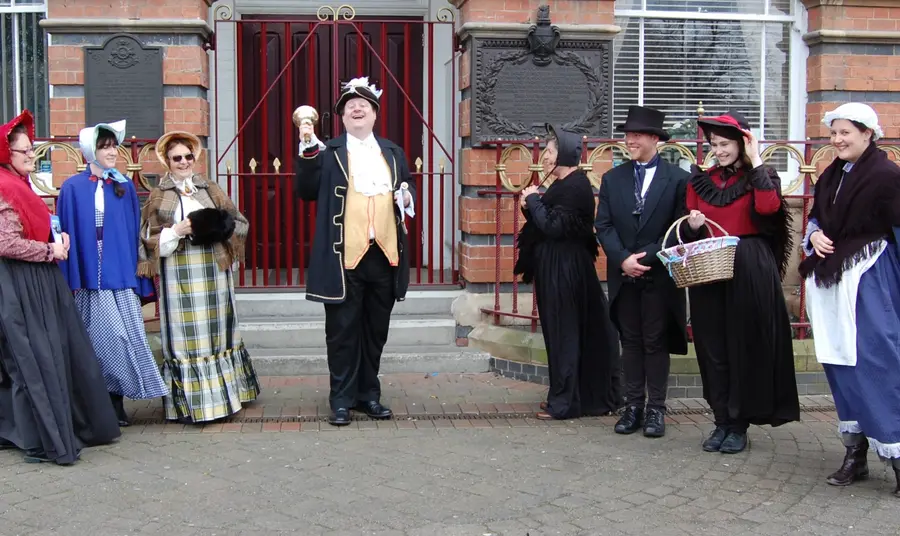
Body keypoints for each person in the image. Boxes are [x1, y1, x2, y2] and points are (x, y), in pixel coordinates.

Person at [294, 76, 416, 426]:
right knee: (342, 332)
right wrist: (307, 148)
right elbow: (306, 190)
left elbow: (406, 184)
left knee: (375, 331)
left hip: (385, 255)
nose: (357, 109)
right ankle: (341, 400)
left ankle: (368, 395)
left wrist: (406, 195)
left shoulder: (392, 151)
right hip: (344, 258)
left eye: (364, 105)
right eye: (350, 106)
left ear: (375, 113)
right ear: (342, 116)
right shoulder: (328, 151)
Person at [0, 110, 120, 464]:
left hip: (36, 279)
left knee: (49, 355)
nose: (31, 155)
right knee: (33, 361)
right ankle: (39, 440)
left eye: (31, 149)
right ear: (7, 154)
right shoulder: (5, 187)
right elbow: (6, 243)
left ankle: (52, 430)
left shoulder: (18, 183)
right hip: (21, 284)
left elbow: (29, 228)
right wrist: (48, 250)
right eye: (25, 151)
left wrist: (56, 238)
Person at [681, 110, 799, 454]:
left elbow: (768, 208)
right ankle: (721, 420)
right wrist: (692, 225)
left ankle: (739, 424)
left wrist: (756, 158)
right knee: (712, 346)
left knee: (743, 345)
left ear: (742, 143)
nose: (718, 150)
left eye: (725, 144)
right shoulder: (700, 181)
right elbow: (689, 228)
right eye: (714, 144)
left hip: (748, 265)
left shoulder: (761, 176)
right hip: (709, 266)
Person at [799, 103, 900, 496]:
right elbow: (818, 218)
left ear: (867, 134)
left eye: (845, 132)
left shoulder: (887, 177)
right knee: (839, 361)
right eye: (834, 133)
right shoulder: (831, 174)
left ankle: (897, 454)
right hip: (832, 280)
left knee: (876, 360)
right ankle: (855, 454)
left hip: (870, 278)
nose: (837, 140)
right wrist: (814, 235)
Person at [138, 130, 259, 424]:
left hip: (213, 270)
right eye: (176, 158)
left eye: (188, 157)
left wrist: (218, 228)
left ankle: (227, 397)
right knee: (186, 338)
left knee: (218, 332)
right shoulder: (159, 195)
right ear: (167, 161)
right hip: (178, 271)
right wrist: (175, 231)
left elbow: (238, 222)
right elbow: (147, 238)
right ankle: (192, 405)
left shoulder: (209, 188)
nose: (183, 162)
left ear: (195, 158)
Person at [57, 120, 167, 427]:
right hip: (90, 281)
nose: (112, 152)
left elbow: (132, 232)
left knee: (123, 338)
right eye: (104, 147)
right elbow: (66, 234)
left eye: (113, 147)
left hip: (118, 276)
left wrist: (136, 274)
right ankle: (102, 403)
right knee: (97, 342)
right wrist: (70, 278)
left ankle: (116, 399)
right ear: (90, 151)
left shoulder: (123, 186)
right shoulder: (72, 188)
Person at [514, 124, 621, 420]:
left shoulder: (576, 186)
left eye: (549, 151)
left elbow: (554, 226)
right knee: (559, 332)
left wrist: (533, 200)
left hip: (565, 270)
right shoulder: (563, 184)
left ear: (562, 155)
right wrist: (530, 206)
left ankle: (565, 403)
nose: (545, 157)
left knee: (564, 332)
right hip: (556, 266)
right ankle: (564, 395)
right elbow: (546, 221)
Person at [595, 105, 689, 438]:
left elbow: (678, 227)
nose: (630, 141)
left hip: (658, 274)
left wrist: (647, 256)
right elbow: (604, 225)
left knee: (655, 342)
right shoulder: (612, 178)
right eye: (628, 135)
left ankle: (656, 409)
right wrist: (623, 259)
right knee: (630, 341)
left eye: (636, 135)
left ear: (654, 139)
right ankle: (633, 406)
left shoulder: (678, 179)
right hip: (624, 275)